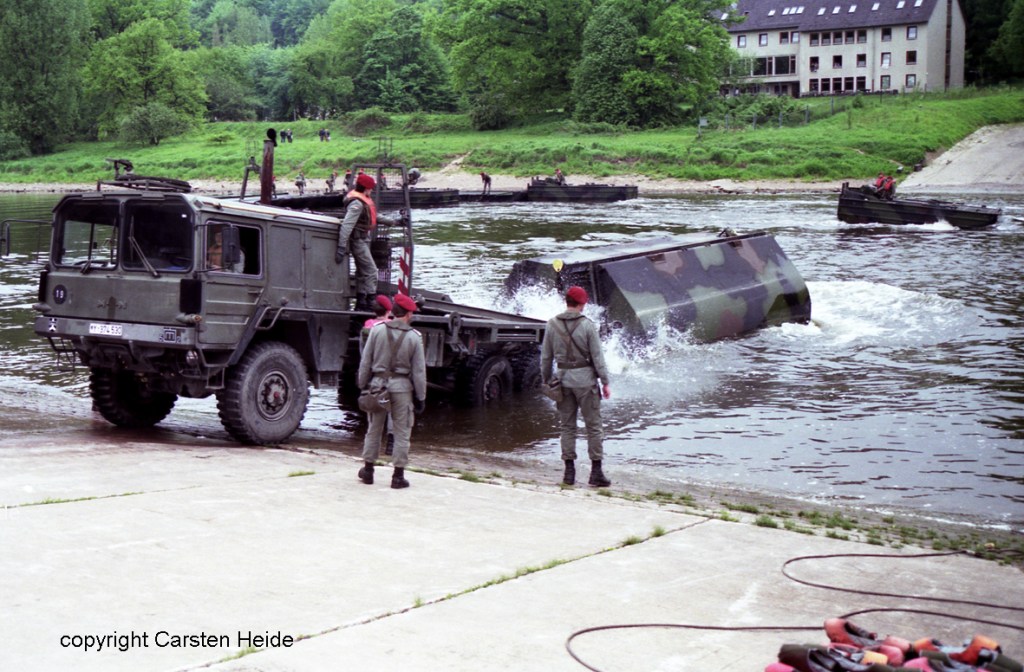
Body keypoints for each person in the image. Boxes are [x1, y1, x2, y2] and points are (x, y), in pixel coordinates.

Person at [540, 286, 612, 487]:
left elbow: (546, 358)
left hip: (563, 381)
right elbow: (598, 358)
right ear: (582, 304)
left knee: (567, 427)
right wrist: (605, 382)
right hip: (586, 382)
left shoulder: (552, 324)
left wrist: (547, 380)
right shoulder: (588, 325)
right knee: (594, 427)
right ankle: (596, 473)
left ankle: (569, 473)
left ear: (567, 302)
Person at [357, 293, 426, 489]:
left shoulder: (376, 331)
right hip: (402, 388)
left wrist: (362, 385)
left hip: (377, 386)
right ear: (408, 314)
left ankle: (368, 471)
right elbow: (419, 372)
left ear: (394, 312)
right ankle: (398, 476)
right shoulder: (414, 337)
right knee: (402, 431)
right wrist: (421, 397)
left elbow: (366, 361)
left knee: (374, 429)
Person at [336, 173, 402, 311]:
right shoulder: (357, 204)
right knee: (371, 271)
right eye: (371, 188)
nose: (372, 190)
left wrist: (394, 222)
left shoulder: (362, 200)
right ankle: (371, 301)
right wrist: (341, 247)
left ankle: (361, 301)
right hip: (358, 240)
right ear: (366, 188)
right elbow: (347, 225)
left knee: (362, 271)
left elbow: (374, 216)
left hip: (363, 238)